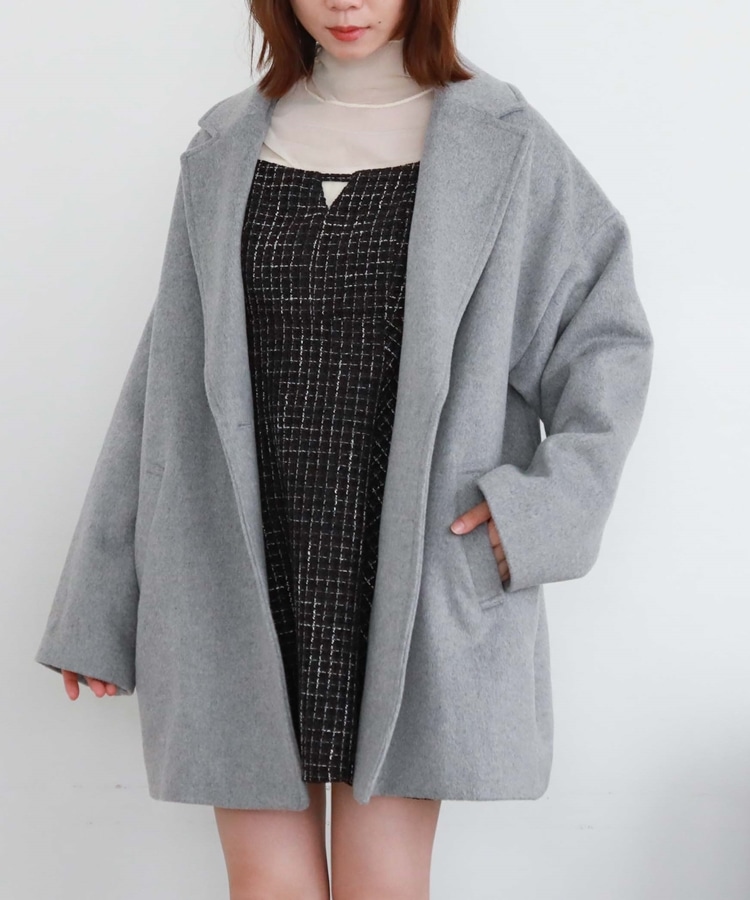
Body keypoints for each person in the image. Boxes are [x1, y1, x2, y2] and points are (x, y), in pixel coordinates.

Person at [34, 0, 654, 897]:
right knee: (268, 888)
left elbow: (607, 342)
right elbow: (164, 384)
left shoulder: (503, 143)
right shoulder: (227, 146)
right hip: (241, 568)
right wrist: (97, 609)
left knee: (382, 885)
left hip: (409, 574)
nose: (345, 2)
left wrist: (536, 518)